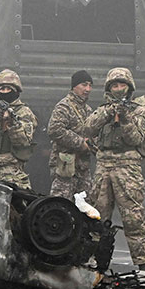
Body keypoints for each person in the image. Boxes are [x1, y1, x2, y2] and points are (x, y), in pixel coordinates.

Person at [79, 68, 145, 271]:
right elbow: (87, 128)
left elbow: (135, 138)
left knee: (133, 217)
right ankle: (95, 262)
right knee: (97, 217)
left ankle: (143, 263)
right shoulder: (103, 109)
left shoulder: (140, 111)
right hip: (103, 165)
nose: (118, 89)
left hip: (127, 166)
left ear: (129, 87)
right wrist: (108, 113)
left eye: (122, 85)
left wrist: (126, 118)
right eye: (114, 85)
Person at [47, 70, 95, 199]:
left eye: (90, 85)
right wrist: (80, 143)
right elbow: (54, 130)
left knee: (86, 207)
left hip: (82, 168)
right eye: (84, 85)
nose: (88, 89)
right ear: (74, 86)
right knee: (61, 205)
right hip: (65, 167)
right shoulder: (64, 107)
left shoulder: (88, 110)